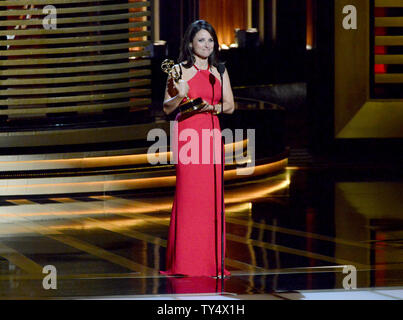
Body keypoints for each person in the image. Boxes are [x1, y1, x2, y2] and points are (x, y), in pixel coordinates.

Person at [160, 20, 235, 278]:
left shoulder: (220, 71)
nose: (207, 45)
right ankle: (185, 263)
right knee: (190, 197)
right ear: (190, 43)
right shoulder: (178, 70)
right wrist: (180, 94)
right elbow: (168, 108)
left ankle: (210, 264)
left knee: (211, 200)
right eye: (201, 40)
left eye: (210, 40)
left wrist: (210, 108)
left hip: (213, 134)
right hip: (189, 138)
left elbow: (230, 106)